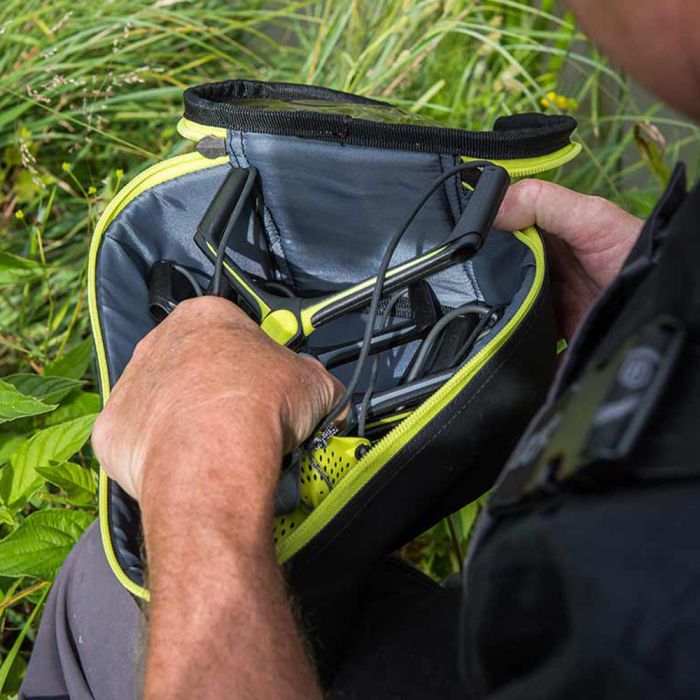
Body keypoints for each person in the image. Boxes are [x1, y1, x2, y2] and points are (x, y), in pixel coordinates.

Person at [19, 0, 700, 697]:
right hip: (567, 591)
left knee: (113, 601)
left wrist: (201, 468)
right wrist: (664, 302)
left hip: (576, 638)